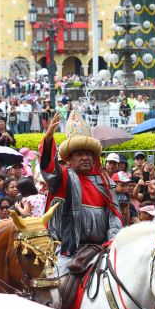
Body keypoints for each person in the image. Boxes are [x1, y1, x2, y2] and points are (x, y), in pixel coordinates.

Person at [40, 112, 122, 273]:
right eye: (79, 154)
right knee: (58, 290)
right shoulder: (63, 176)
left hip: (102, 248)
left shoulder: (105, 181)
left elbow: (115, 216)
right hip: (67, 250)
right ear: (69, 159)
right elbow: (49, 170)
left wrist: (114, 242)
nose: (85, 158)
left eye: (88, 154)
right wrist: (48, 140)